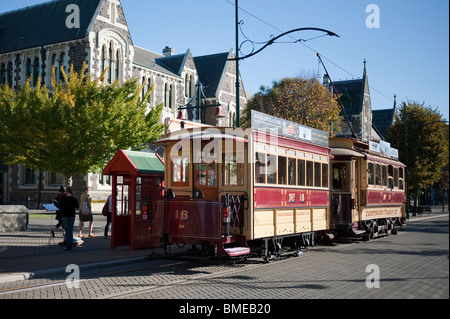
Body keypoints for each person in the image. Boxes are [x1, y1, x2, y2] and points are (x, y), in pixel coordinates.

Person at [60, 186, 79, 251]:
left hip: (65, 215)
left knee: (67, 231)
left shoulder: (63, 198)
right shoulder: (74, 198)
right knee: (70, 231)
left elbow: (60, 206)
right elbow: (77, 206)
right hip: (72, 215)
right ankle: (70, 246)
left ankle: (67, 246)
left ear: (66, 191)